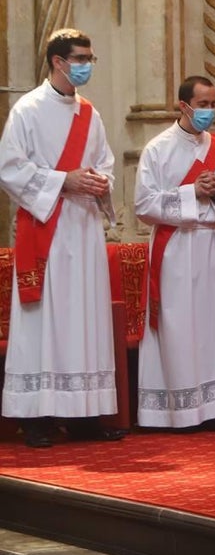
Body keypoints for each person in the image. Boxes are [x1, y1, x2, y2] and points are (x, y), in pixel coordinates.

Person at [0, 28, 122, 447]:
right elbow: (9, 168)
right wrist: (62, 181)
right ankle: (36, 416)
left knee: (84, 318)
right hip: (46, 228)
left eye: (90, 58)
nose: (87, 65)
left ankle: (84, 412)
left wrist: (100, 182)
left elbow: (104, 162)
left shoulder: (91, 113)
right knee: (44, 320)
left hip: (83, 228)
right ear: (58, 61)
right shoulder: (27, 110)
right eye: (80, 58)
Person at [135, 75, 215, 431]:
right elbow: (143, 203)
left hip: (211, 246)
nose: (210, 112)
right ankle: (179, 410)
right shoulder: (157, 148)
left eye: (213, 104)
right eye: (203, 105)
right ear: (184, 106)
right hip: (174, 248)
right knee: (179, 325)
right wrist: (190, 192)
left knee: (214, 324)